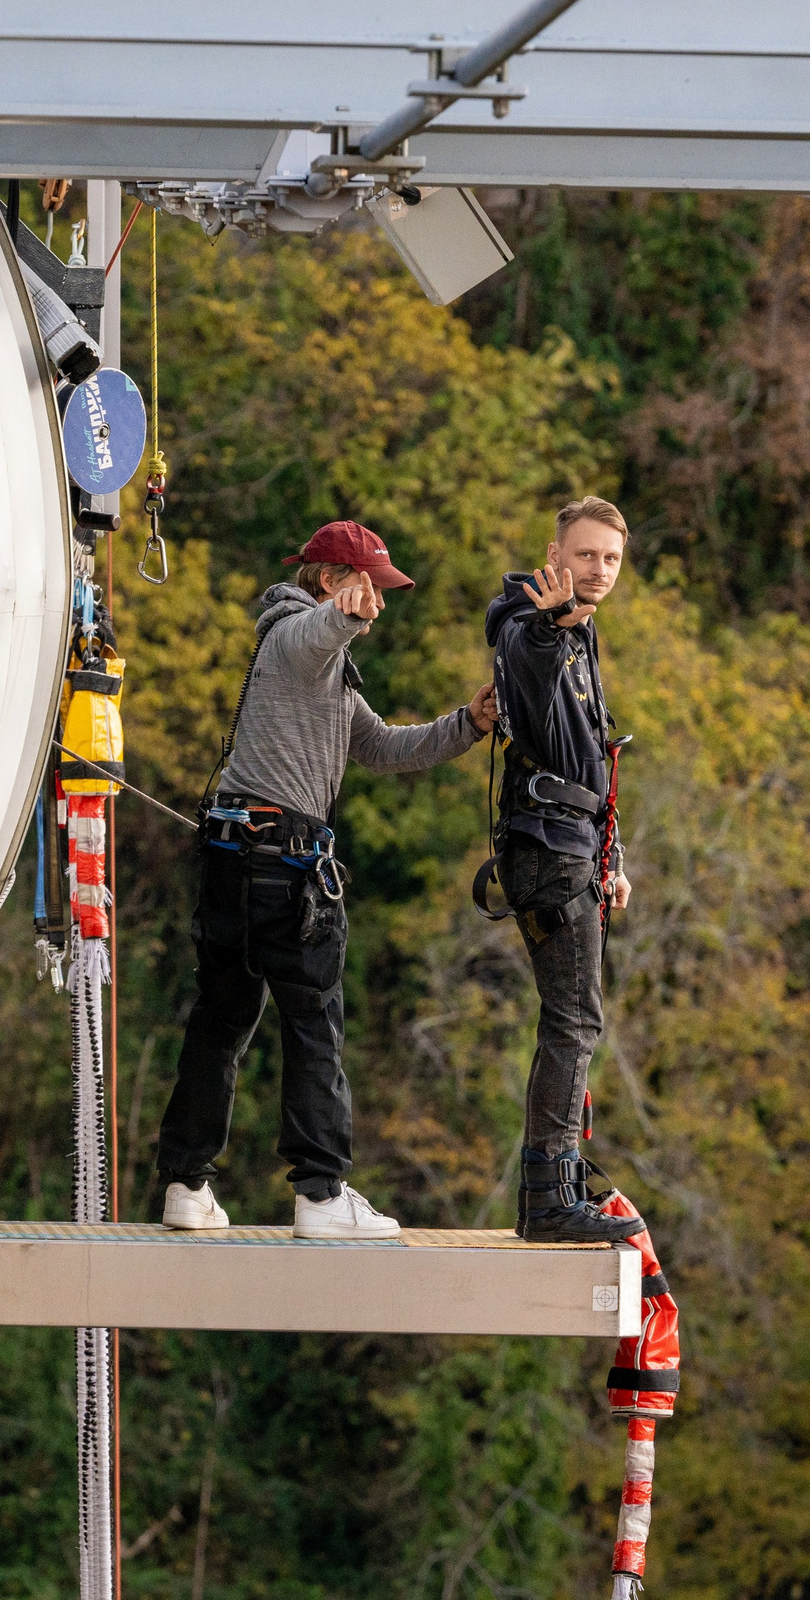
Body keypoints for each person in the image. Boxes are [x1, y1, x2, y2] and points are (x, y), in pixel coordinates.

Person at [157, 519, 497, 1240]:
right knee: (315, 1030)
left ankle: (186, 1186)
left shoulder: (325, 676)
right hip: (284, 868)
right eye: (367, 585)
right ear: (327, 582)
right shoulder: (293, 636)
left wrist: (469, 722)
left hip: (231, 862)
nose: (379, 601)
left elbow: (385, 746)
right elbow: (312, 635)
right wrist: (339, 617)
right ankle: (319, 1194)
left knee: (218, 1026)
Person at [483, 497, 647, 1244]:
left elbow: (591, 756)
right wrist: (556, 624)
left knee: (576, 1016)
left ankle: (557, 1184)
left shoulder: (584, 631)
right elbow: (528, 659)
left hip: (570, 846)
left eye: (611, 559)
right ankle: (550, 1195)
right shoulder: (529, 621)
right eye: (586, 556)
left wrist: (611, 856)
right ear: (556, 553)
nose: (599, 570)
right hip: (546, 851)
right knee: (575, 1018)